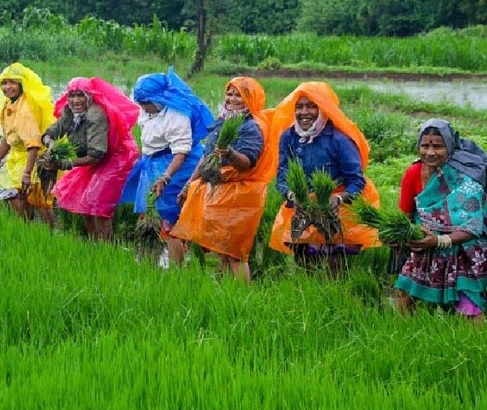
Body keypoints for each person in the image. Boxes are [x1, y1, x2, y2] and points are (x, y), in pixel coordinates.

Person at [172, 77, 277, 283]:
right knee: (221, 250)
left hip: (241, 196)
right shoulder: (223, 121)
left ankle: (240, 299)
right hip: (219, 190)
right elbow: (207, 156)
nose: (232, 98)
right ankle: (225, 290)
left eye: (239, 94)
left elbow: (248, 162)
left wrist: (229, 153)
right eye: (230, 93)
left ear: (251, 99)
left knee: (235, 253)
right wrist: (188, 184)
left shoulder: (251, 127)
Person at [268, 82, 380, 272]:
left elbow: (356, 180)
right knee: (304, 264)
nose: (305, 112)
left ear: (324, 109)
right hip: (303, 209)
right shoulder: (289, 137)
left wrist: (336, 199)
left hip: (336, 211)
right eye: (299, 106)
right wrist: (292, 196)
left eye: (312, 106)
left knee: (332, 266)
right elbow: (283, 175)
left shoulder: (339, 139)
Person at [394, 119, 487, 318]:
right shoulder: (413, 173)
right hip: (425, 244)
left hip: (463, 248)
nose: (430, 152)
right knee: (403, 293)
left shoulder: (465, 177)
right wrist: (400, 235)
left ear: (449, 147)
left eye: (438, 146)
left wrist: (439, 240)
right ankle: (404, 338)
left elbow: (473, 226)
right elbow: (405, 214)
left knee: (468, 307)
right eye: (425, 145)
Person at [120, 67, 214, 264]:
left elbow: (181, 152)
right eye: (141, 103)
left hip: (177, 167)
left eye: (145, 103)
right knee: (150, 216)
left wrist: (166, 177)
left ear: (158, 99)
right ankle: (147, 262)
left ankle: (176, 270)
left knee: (170, 220)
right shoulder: (149, 112)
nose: (143, 107)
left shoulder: (176, 115)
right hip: (153, 165)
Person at [41, 77, 139, 241]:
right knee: (82, 201)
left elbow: (96, 154)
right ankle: (94, 243)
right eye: (72, 96)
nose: (76, 101)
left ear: (89, 97)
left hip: (116, 157)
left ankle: (106, 247)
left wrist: (66, 163)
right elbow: (51, 131)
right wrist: (49, 143)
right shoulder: (69, 112)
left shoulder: (96, 115)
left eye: (81, 96)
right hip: (92, 156)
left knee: (98, 203)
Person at [0, 62, 56, 225]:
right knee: (15, 196)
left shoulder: (25, 110)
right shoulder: (9, 104)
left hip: (33, 158)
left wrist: (28, 173)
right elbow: (8, 138)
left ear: (21, 84)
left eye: (12, 83)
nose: (7, 87)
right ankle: (26, 231)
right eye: (4, 83)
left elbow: (33, 143)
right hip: (16, 158)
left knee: (39, 200)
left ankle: (48, 237)